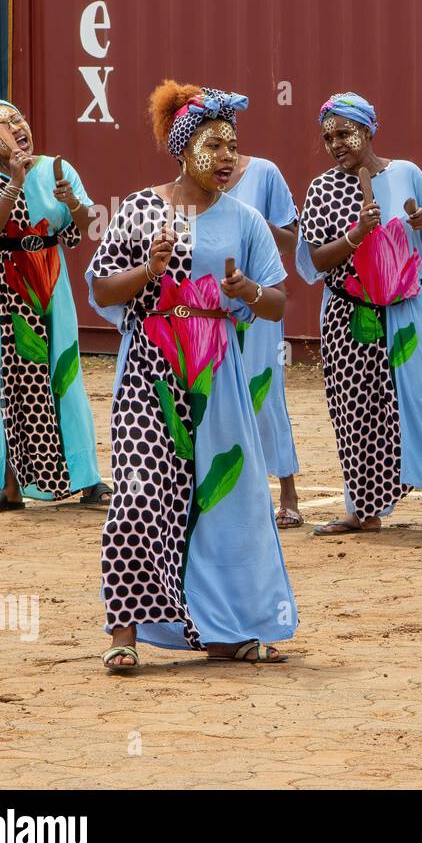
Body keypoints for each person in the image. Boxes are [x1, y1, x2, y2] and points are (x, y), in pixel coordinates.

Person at [86, 81, 296, 671]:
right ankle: (124, 635)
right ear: (182, 149)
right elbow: (102, 287)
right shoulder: (139, 208)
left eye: (233, 146)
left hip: (217, 374)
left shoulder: (246, 219)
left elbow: (278, 301)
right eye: (214, 144)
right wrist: (146, 271)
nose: (228, 157)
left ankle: (231, 630)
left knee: (226, 499)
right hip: (148, 372)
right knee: (138, 496)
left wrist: (247, 291)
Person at [296, 93, 422, 536]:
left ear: (368, 129)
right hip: (350, 314)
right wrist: (354, 236)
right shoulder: (322, 189)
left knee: (417, 402)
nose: (336, 144)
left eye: (345, 133)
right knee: (355, 410)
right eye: (328, 137)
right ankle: (361, 510)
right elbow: (315, 260)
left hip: (408, 306)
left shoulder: (406, 172)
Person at [0, 90, 110, 514]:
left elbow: (84, 228)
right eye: (5, 125)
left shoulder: (56, 168)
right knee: (9, 381)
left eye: (20, 118)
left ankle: (87, 480)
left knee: (64, 373)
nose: (19, 127)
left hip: (50, 275)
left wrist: (72, 202)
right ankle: (9, 486)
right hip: (1, 282)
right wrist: (15, 181)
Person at [225, 150, 303, 528]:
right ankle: (231, 494)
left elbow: (290, 241)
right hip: (213, 304)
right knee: (218, 397)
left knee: (264, 393)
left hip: (260, 300)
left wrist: (252, 221)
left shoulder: (265, 173)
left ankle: (287, 491)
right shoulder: (191, 183)